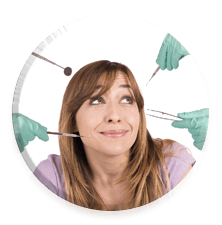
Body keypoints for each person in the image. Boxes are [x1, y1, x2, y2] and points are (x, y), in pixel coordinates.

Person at [11, 60, 196, 212]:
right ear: (73, 121)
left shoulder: (170, 165)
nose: (114, 116)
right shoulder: (52, 177)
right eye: (97, 100)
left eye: (126, 99)